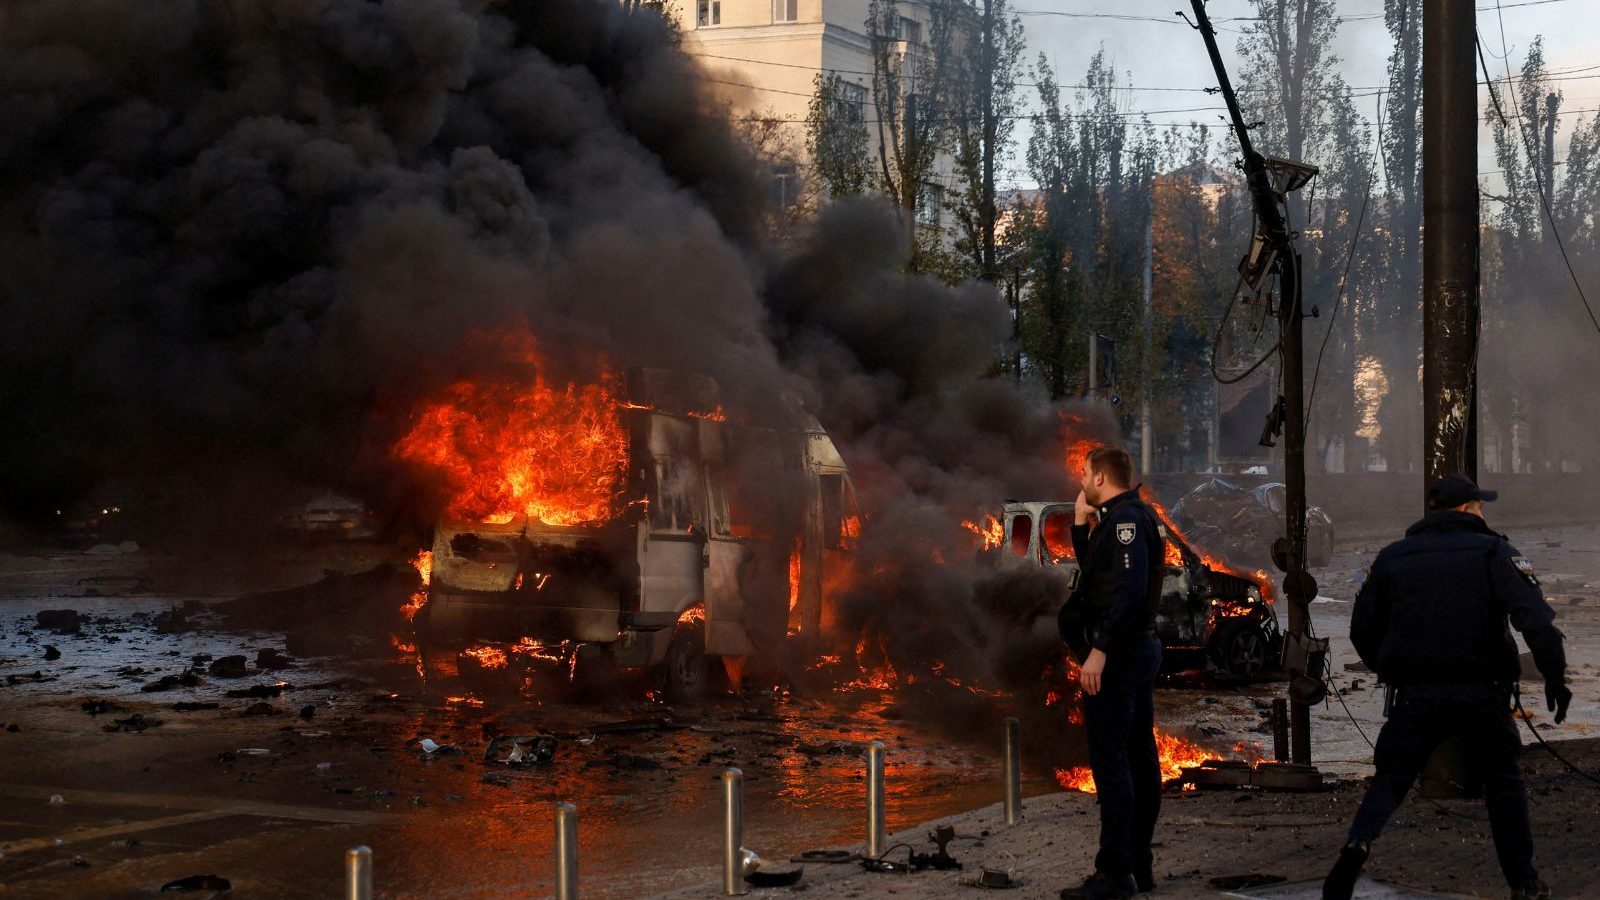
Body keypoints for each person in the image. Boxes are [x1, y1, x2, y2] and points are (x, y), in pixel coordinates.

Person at [1323, 475, 1571, 900]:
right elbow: (1537, 623)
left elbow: (1362, 628)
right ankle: (1524, 882)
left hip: (1416, 694)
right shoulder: (1495, 552)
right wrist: (1554, 677)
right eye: (1479, 504)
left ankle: (1357, 843)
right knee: (1503, 783)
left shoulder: (1393, 558)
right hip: (1482, 693)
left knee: (1392, 778)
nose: (1483, 510)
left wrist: (1391, 667)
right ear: (1466, 509)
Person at [1058, 446, 1166, 900]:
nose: (1080, 480)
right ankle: (1138, 864)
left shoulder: (1125, 523)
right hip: (1133, 650)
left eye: (1084, 473)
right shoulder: (1127, 516)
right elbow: (1099, 578)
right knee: (1139, 756)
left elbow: (1127, 591)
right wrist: (1081, 527)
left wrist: (1099, 651)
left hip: (1119, 655)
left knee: (1115, 762)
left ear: (1101, 477)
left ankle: (1115, 873)